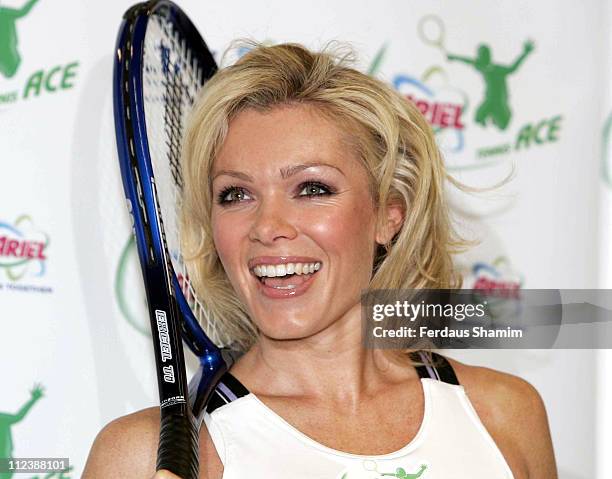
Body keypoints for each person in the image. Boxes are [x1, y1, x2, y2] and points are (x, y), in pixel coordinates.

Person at [83, 43, 556, 478]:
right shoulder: (141, 457)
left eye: (312, 189)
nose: (268, 226)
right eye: (236, 194)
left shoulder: (505, 413)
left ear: (388, 217)